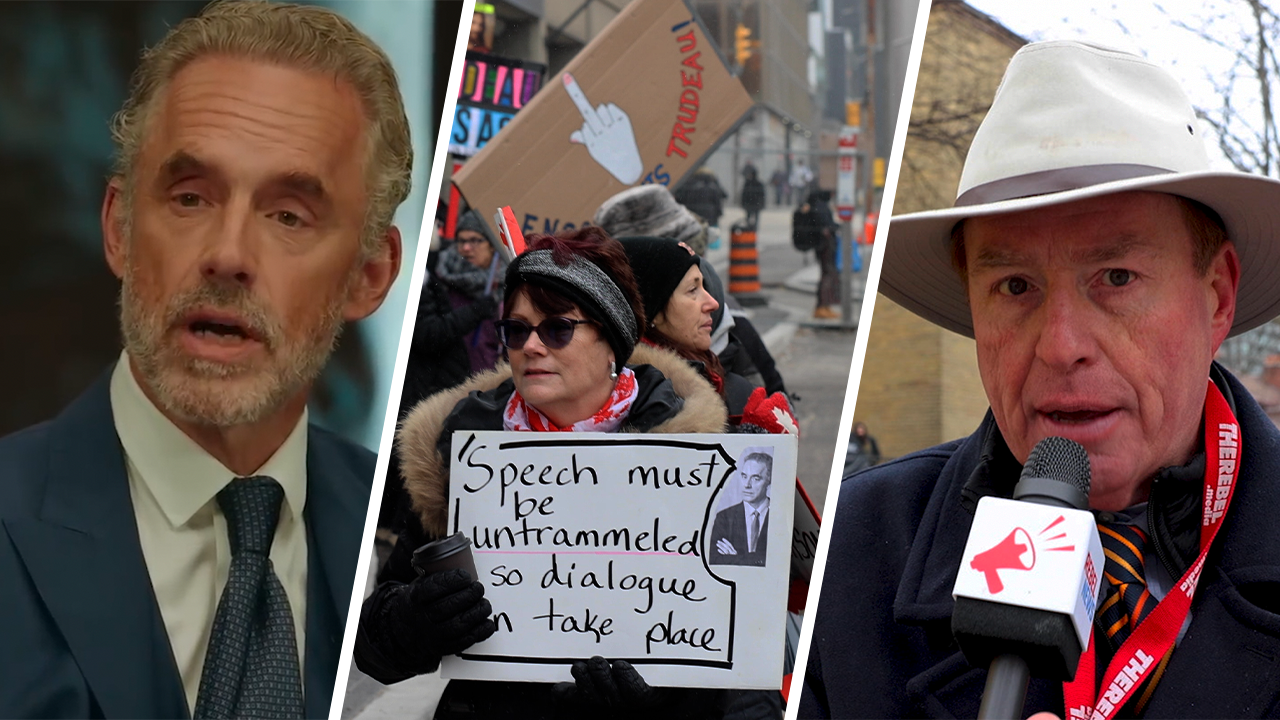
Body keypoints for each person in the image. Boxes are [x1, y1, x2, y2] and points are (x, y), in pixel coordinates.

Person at [801, 40, 1280, 719]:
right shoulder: (855, 553)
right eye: (1015, 285)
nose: (1060, 346)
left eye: (1116, 279)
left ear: (1218, 296)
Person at [0, 2, 410, 717]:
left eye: (288, 215)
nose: (227, 255)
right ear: (120, 229)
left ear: (370, 276)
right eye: (190, 198)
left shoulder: (411, 540)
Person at [356, 227, 783, 719]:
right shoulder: (461, 455)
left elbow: (753, 658)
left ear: (611, 343)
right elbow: (373, 651)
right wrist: (415, 619)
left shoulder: (710, 462)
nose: (532, 347)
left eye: (557, 328)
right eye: (516, 330)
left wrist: (666, 701)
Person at [593, 185, 788, 396]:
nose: (711, 303)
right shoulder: (622, 391)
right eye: (692, 289)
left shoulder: (724, 320)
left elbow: (772, 400)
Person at [620, 236, 794, 427]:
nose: (713, 303)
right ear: (650, 312)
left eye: (704, 286)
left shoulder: (726, 381)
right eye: (693, 290)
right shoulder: (632, 404)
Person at [710, 451, 773, 567]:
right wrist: (754, 560)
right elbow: (714, 559)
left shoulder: (778, 515)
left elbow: (777, 561)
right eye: (744, 476)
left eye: (756, 478)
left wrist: (736, 557)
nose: (747, 484)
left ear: (769, 481)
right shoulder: (724, 517)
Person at [795, 189, 839, 320]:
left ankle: (823, 306)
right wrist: (835, 228)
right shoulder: (820, 208)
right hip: (825, 246)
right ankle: (822, 306)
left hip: (819, 246)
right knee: (827, 276)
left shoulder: (813, 207)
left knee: (826, 275)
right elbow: (825, 226)